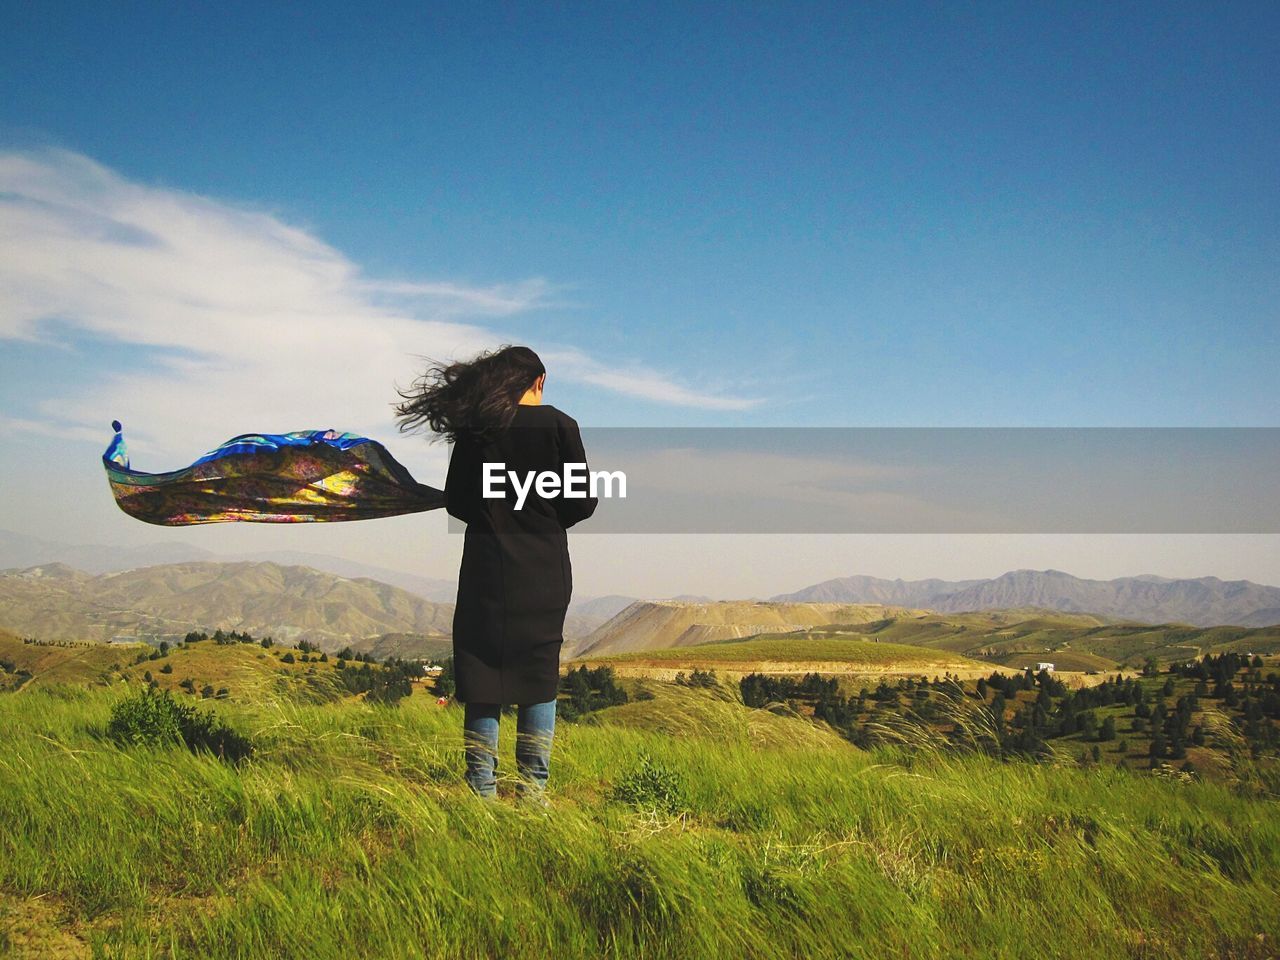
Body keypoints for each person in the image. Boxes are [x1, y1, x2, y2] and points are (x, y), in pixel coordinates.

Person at [394, 344, 597, 802]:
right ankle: (532, 793)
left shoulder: (476, 429)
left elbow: (458, 502)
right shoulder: (561, 426)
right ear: (538, 381)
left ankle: (481, 791)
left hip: (486, 568)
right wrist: (542, 515)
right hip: (543, 570)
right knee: (539, 679)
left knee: (483, 676)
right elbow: (582, 503)